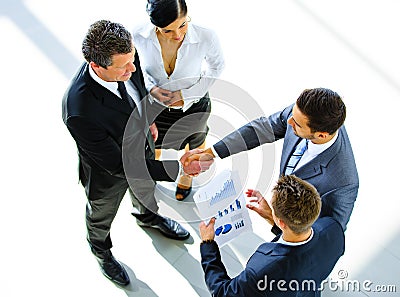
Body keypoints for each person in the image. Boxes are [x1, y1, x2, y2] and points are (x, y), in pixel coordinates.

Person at [62, 20, 212, 286]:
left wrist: (147, 118)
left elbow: (138, 85)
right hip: (109, 172)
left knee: (145, 187)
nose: (133, 68)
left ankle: (147, 216)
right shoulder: (79, 109)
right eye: (123, 67)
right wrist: (177, 168)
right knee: (100, 215)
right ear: (97, 66)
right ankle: (100, 249)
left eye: (133, 60)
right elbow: (120, 166)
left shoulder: (126, 55)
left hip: (143, 142)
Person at [185, 87, 359, 233]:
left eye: (297, 124)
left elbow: (324, 239)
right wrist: (212, 153)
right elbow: (263, 128)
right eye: (292, 114)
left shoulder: (343, 184)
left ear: (321, 135)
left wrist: (275, 221)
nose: (289, 121)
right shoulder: (304, 113)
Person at [133, 0, 225, 200]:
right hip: (156, 106)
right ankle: (152, 178)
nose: (177, 35)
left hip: (194, 107)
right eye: (168, 31)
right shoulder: (138, 35)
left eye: (183, 24)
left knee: (195, 142)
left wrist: (187, 95)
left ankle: (187, 175)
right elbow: (135, 68)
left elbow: (216, 67)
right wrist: (151, 88)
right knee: (152, 145)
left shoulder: (206, 36)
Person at [199, 175, 345, 296]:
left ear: (282, 222)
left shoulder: (262, 270)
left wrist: (208, 244)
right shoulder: (333, 229)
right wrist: (272, 217)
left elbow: (222, 293)